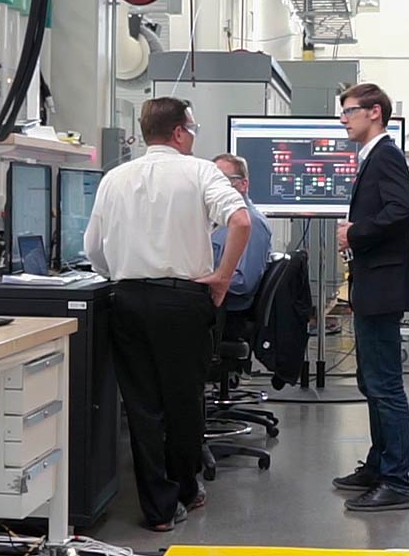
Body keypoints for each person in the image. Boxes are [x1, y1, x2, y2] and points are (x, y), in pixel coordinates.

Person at [83, 97, 253, 532]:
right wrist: (220, 277)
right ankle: (185, 490)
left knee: (141, 406)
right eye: (192, 130)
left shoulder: (114, 178)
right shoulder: (200, 172)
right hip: (183, 300)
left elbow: (93, 249)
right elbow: (241, 221)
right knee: (183, 401)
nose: (193, 138)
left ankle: (157, 510)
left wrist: (120, 273)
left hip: (127, 299)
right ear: (178, 132)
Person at [331, 83, 409, 512]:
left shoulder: (386, 155)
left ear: (375, 113)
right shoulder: (373, 157)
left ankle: (397, 482)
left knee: (384, 385)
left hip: (382, 288)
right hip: (372, 284)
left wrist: (355, 232)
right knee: (371, 381)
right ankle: (380, 464)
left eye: (349, 112)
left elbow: (403, 211)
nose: (343, 119)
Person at [210, 154, 274, 314]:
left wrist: (200, 281)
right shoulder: (218, 220)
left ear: (243, 185)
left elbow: (244, 282)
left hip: (227, 312)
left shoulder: (252, 223)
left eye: (223, 181)